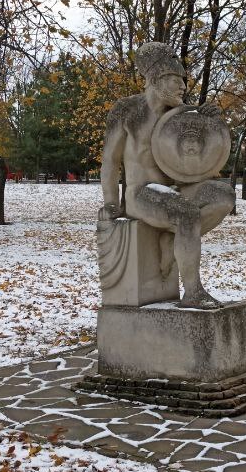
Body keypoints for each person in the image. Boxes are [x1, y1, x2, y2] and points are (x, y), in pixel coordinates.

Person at [100, 42, 234, 308]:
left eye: (183, 81)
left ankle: (172, 237)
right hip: (140, 195)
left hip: (173, 193)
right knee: (186, 215)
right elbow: (109, 160)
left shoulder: (182, 115)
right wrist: (110, 202)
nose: (183, 87)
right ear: (155, 80)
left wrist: (209, 120)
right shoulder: (128, 110)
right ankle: (193, 292)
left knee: (224, 196)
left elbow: (194, 165)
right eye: (176, 80)